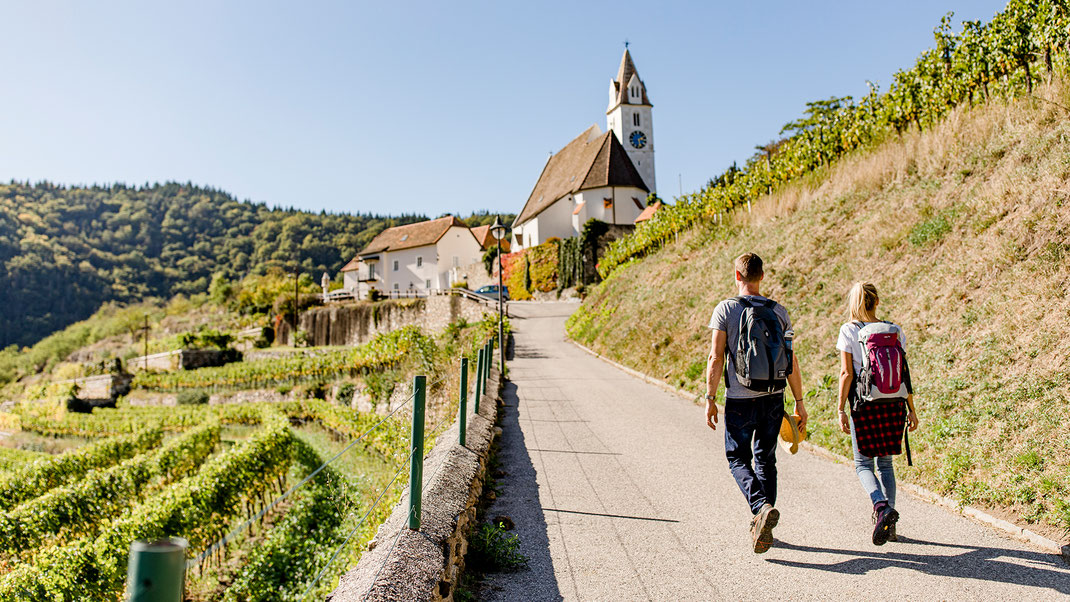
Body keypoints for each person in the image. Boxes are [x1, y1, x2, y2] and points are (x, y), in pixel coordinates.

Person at [705, 253, 806, 554]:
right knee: (766, 459)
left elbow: (715, 357)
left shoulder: (726, 309)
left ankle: (761, 508)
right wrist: (800, 401)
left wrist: (710, 398)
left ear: (737, 276)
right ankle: (764, 516)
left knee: (737, 458)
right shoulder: (779, 312)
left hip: (739, 399)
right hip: (774, 396)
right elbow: (792, 362)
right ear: (762, 276)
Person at [836, 282, 919, 545]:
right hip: (894, 403)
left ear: (854, 302)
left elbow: (847, 374)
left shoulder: (849, 330)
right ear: (877, 301)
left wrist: (840, 408)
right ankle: (890, 525)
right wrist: (912, 409)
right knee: (886, 464)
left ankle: (881, 507)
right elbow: (904, 372)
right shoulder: (894, 330)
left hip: (864, 404)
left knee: (863, 464)